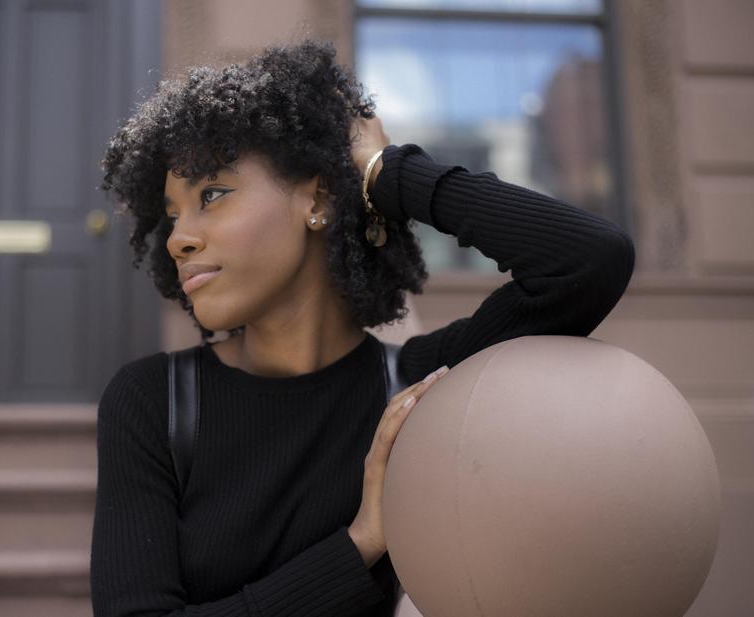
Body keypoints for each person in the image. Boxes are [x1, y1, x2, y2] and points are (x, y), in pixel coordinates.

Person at [89, 39, 635, 617]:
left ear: (318, 198)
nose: (179, 238)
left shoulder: (418, 392)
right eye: (173, 215)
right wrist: (359, 544)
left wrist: (386, 172)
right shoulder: (155, 403)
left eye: (213, 194)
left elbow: (587, 259)